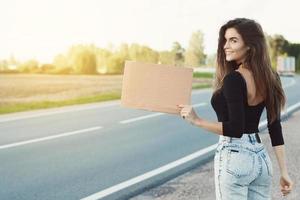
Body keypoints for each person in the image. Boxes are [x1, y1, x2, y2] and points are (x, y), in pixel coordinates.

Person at [177, 18, 293, 200]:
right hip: (261, 160)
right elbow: (275, 127)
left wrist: (196, 120)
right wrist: (284, 172)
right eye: (225, 40)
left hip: (234, 157)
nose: (225, 46)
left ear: (250, 45)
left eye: (233, 40)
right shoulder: (271, 77)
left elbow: (235, 129)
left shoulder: (234, 79)